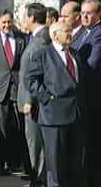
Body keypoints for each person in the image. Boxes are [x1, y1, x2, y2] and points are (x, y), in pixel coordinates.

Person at [24, 22, 86, 187]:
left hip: (76, 115)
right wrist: (46, 98)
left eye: (71, 30)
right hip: (53, 116)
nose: (70, 34)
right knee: (56, 165)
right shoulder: (42, 54)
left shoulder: (74, 53)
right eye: (67, 31)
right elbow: (30, 80)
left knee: (74, 163)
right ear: (55, 35)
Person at [0, 9, 28, 175]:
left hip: (17, 88)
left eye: (9, 21)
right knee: (3, 126)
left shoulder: (21, 39)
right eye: (3, 22)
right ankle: (4, 163)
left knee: (20, 127)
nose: (6, 25)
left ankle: (20, 162)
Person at [18, 3, 50, 187]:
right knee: (33, 141)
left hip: (34, 102)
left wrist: (29, 100)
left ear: (31, 18)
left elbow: (35, 73)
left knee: (36, 141)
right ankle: (37, 177)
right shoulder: (35, 38)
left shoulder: (40, 41)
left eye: (24, 16)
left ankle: (39, 179)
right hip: (30, 100)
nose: (23, 20)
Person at [77, 0, 101, 186]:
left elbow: (91, 65)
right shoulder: (85, 32)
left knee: (93, 142)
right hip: (86, 96)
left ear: (98, 14)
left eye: (89, 13)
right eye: (83, 12)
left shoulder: (98, 34)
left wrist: (69, 72)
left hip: (93, 96)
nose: (84, 16)